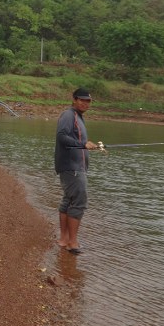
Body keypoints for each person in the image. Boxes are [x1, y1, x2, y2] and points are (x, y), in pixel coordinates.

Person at [54, 87, 99, 254]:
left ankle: (64, 239)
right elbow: (62, 137)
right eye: (82, 100)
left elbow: (74, 139)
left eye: (88, 101)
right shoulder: (68, 115)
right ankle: (72, 243)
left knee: (69, 200)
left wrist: (87, 146)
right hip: (71, 169)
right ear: (74, 99)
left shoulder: (78, 117)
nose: (85, 103)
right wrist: (83, 144)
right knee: (79, 202)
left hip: (74, 168)